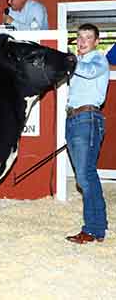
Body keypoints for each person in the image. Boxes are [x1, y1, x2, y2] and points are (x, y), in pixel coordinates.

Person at [65, 23, 109, 244]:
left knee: (85, 176)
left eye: (87, 37)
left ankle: (93, 229)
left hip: (87, 119)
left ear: (96, 41)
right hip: (74, 119)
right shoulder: (78, 63)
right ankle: (99, 226)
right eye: (79, 37)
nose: (82, 41)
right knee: (85, 177)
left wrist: (69, 62)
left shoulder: (98, 59)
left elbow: (90, 73)